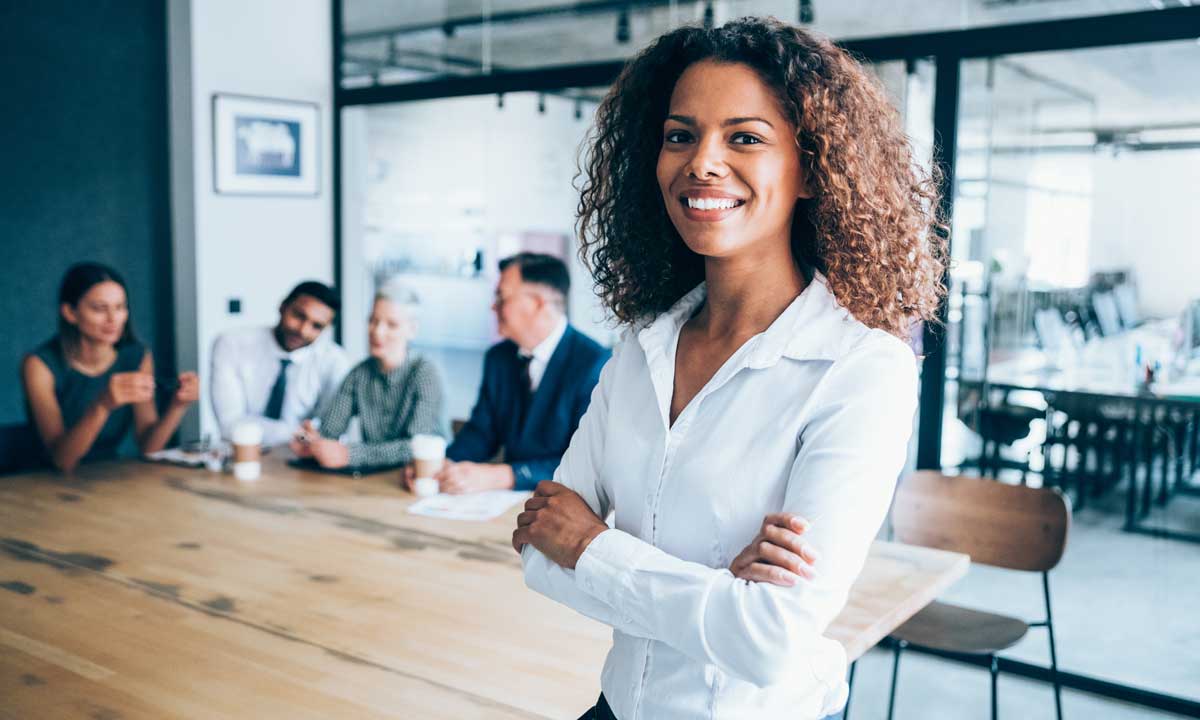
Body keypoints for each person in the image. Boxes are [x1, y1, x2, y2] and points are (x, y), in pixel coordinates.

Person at [512, 18, 947, 720]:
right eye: (680, 135)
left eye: (744, 137)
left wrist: (592, 545)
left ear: (811, 169)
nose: (702, 163)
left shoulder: (862, 370)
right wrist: (715, 592)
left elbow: (769, 641)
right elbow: (537, 549)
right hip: (619, 705)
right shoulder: (641, 348)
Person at [435, 252, 610, 494]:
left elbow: (588, 464)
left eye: (501, 297)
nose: (493, 306)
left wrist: (505, 475)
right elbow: (481, 433)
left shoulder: (596, 364)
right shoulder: (498, 358)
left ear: (538, 303)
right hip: (504, 506)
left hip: (565, 506)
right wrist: (443, 465)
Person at [22, 262, 200, 471]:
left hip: (108, 475)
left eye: (120, 307)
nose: (113, 319)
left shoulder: (136, 356)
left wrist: (178, 405)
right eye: (99, 309)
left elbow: (149, 448)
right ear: (70, 312)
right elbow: (62, 460)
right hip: (41, 483)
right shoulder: (39, 365)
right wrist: (102, 405)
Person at [291, 285, 445, 469]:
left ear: (412, 330)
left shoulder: (425, 373)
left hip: (421, 479)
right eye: (373, 320)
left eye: (392, 325)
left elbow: (415, 447)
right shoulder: (358, 374)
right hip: (374, 482)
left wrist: (349, 454)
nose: (377, 331)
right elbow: (329, 431)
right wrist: (311, 442)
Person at [210, 280, 349, 447]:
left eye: (317, 326)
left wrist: (310, 437)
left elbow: (329, 431)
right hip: (241, 455)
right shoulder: (231, 344)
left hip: (303, 461)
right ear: (282, 306)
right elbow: (230, 425)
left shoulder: (335, 361)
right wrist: (300, 434)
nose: (303, 330)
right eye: (299, 316)